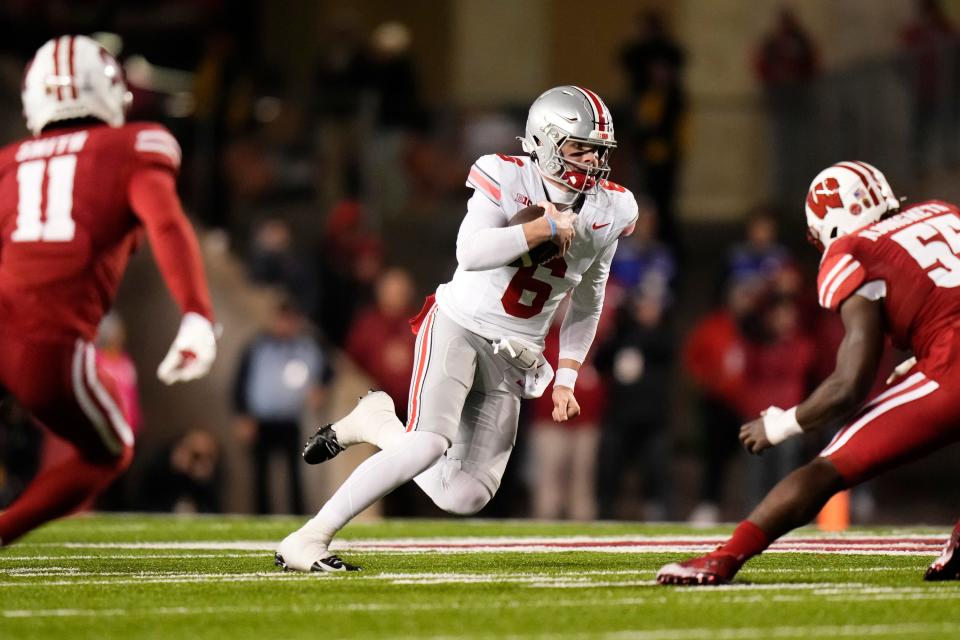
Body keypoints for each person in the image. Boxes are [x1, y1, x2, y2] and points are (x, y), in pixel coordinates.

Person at [276, 85, 639, 572]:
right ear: (545, 140)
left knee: (467, 495)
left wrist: (568, 375)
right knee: (429, 442)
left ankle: (380, 424)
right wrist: (539, 229)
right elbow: (470, 253)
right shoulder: (506, 175)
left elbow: (589, 300)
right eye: (581, 147)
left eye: (600, 150)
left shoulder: (611, 209)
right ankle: (307, 538)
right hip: (461, 324)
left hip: (517, 353)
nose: (594, 161)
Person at [657, 160, 960, 585]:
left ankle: (725, 557)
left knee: (827, 467)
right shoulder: (943, 212)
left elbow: (849, 383)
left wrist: (782, 424)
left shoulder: (852, 250)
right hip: (946, 354)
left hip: (952, 366)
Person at [0, 36, 218, 546]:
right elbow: (167, 226)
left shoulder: (9, 160)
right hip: (46, 344)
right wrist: (197, 314)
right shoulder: (133, 147)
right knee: (110, 448)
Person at [233, 299, 330, 515]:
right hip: (261, 421)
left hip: (290, 420)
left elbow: (328, 370)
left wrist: (320, 387)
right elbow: (239, 382)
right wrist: (242, 415)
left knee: (295, 474)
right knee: (260, 474)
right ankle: (261, 517)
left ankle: (298, 516)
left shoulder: (307, 346)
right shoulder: (257, 347)